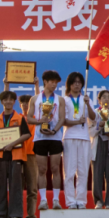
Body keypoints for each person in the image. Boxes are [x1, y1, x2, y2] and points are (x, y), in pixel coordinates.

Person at [0, 90, 31, 218]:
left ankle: (15, 216)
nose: (8, 102)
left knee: (16, 187)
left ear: (14, 102)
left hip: (16, 157)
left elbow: (27, 134)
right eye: (5, 99)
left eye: (11, 100)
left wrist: (12, 144)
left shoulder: (19, 118)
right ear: (2, 102)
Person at [27, 70, 64, 210]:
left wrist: (54, 130)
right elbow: (28, 118)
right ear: (45, 82)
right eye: (52, 82)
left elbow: (62, 119)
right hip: (40, 137)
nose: (54, 85)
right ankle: (43, 200)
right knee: (42, 169)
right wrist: (40, 121)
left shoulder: (59, 99)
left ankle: (56, 200)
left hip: (55, 137)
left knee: (55, 168)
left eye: (56, 83)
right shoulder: (35, 99)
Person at [62, 72, 95, 209]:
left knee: (83, 171)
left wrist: (88, 104)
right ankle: (70, 201)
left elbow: (93, 117)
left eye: (79, 82)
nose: (77, 84)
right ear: (69, 84)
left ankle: (81, 201)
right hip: (69, 137)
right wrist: (76, 122)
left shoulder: (86, 99)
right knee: (69, 172)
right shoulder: (64, 100)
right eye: (74, 82)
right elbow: (62, 121)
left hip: (84, 138)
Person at [91, 90, 109, 209]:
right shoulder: (94, 113)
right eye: (103, 97)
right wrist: (99, 126)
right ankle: (98, 201)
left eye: (108, 97)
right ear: (99, 100)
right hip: (97, 145)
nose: (106, 99)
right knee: (97, 175)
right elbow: (89, 132)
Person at [17, 93, 38, 218]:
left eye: (28, 102)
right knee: (17, 188)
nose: (25, 105)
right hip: (18, 155)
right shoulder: (16, 118)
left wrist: (36, 85)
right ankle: (17, 216)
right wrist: (6, 85)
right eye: (23, 102)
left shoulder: (36, 118)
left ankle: (31, 217)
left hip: (31, 155)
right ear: (19, 105)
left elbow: (39, 99)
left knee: (32, 188)